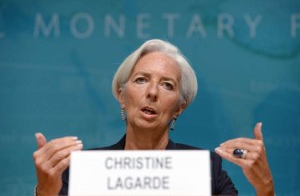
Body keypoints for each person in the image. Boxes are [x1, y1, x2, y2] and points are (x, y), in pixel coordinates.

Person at [33, 39, 274, 195]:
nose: (152, 92)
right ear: (121, 95)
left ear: (179, 108)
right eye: (141, 80)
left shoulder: (206, 169)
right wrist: (45, 191)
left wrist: (265, 188)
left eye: (167, 85)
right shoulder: (81, 170)